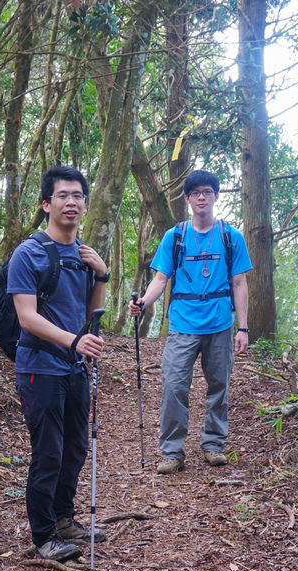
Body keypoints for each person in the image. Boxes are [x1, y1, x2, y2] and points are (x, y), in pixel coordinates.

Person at [7, 166, 109, 562]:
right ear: (46, 204)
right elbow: (26, 317)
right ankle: (44, 535)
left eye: (78, 195)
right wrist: (73, 341)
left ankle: (65, 518)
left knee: (76, 447)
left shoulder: (84, 254)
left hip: (74, 368)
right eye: (63, 196)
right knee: (47, 452)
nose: (72, 202)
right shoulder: (29, 253)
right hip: (40, 367)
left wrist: (102, 274)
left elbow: (91, 312)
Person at [128, 170, 252, 475]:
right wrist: (144, 302)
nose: (201, 197)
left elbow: (239, 283)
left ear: (215, 197)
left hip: (220, 323)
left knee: (219, 386)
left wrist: (243, 328)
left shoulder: (231, 237)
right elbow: (160, 278)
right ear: (187, 198)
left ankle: (213, 445)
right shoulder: (175, 236)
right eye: (195, 192)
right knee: (174, 386)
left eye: (207, 192)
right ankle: (171, 451)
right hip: (183, 323)